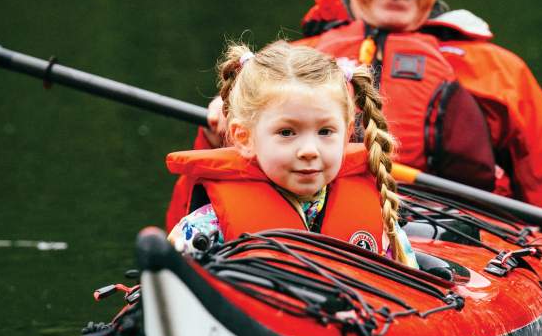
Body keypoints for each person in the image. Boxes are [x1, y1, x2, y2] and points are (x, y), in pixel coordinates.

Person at [167, 0, 542, 284]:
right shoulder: (279, 73)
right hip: (303, 251)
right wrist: (217, 137)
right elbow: (186, 215)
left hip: (465, 248)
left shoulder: (499, 71)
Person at [167, 41, 417, 268]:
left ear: (347, 133)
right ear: (245, 137)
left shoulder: (382, 221)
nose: (309, 150)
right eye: (287, 132)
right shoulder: (204, 229)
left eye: (325, 131)